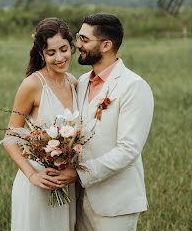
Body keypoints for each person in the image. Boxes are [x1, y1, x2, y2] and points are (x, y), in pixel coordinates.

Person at [54, 13, 154, 230]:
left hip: (116, 203)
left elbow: (128, 150)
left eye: (84, 40)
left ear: (106, 45)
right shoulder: (81, 82)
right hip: (79, 201)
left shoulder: (133, 86)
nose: (77, 45)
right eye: (79, 38)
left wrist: (79, 174)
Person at [3, 17, 79, 231]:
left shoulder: (73, 83)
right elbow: (10, 138)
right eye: (51, 52)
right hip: (38, 183)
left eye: (64, 49)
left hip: (65, 184)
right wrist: (32, 175)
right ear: (41, 54)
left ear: (71, 47)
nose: (59, 57)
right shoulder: (32, 85)